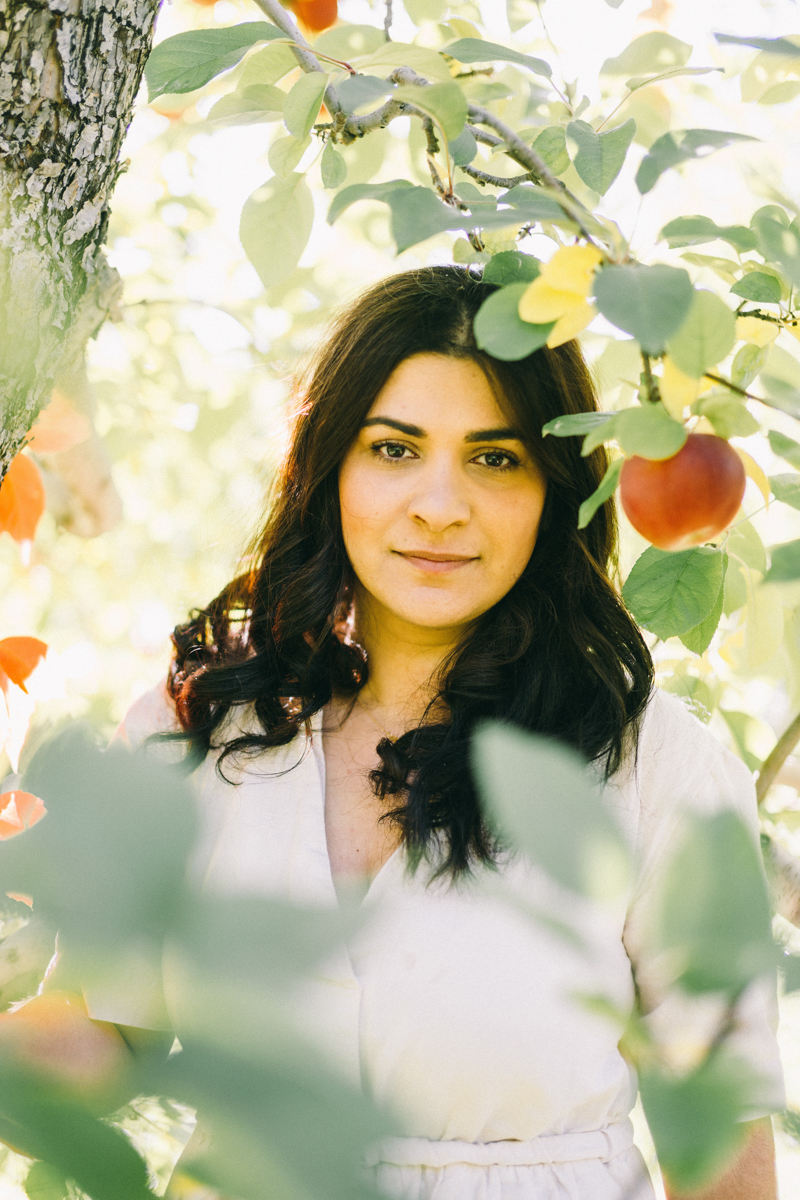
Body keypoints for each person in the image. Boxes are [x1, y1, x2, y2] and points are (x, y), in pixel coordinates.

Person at [107, 266, 783, 1199]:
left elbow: (719, 1149)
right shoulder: (199, 729)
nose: (439, 505)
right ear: (329, 464)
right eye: (394, 450)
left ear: (553, 489)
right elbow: (100, 1036)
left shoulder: (654, 766)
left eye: (495, 458)